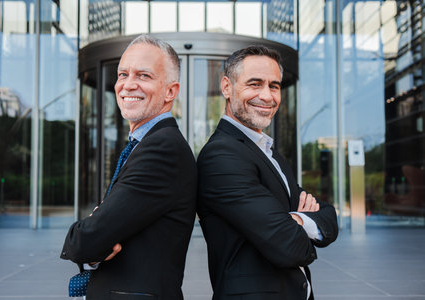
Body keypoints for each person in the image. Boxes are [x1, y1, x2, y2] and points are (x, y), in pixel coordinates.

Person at [61, 34, 197, 300]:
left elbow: (86, 240)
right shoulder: (145, 143)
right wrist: (97, 240)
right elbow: (98, 237)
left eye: (144, 76)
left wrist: (88, 234)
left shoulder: (162, 149)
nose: (128, 85)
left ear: (171, 91)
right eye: (123, 74)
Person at [197, 45, 339, 300]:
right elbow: (289, 245)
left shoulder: (269, 152)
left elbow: (329, 216)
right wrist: (300, 220)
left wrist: (293, 220)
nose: (267, 95)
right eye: (255, 84)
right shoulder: (221, 156)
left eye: (274, 86)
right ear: (227, 87)